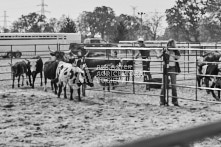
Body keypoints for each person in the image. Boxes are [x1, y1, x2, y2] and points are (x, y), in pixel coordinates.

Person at [156, 39, 181, 106]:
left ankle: (174, 101)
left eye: (171, 44)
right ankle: (162, 101)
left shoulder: (175, 50)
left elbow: (178, 57)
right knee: (164, 85)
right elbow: (158, 56)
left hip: (173, 68)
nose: (169, 45)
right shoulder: (165, 50)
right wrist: (159, 52)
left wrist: (171, 54)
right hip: (166, 69)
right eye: (169, 44)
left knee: (173, 85)